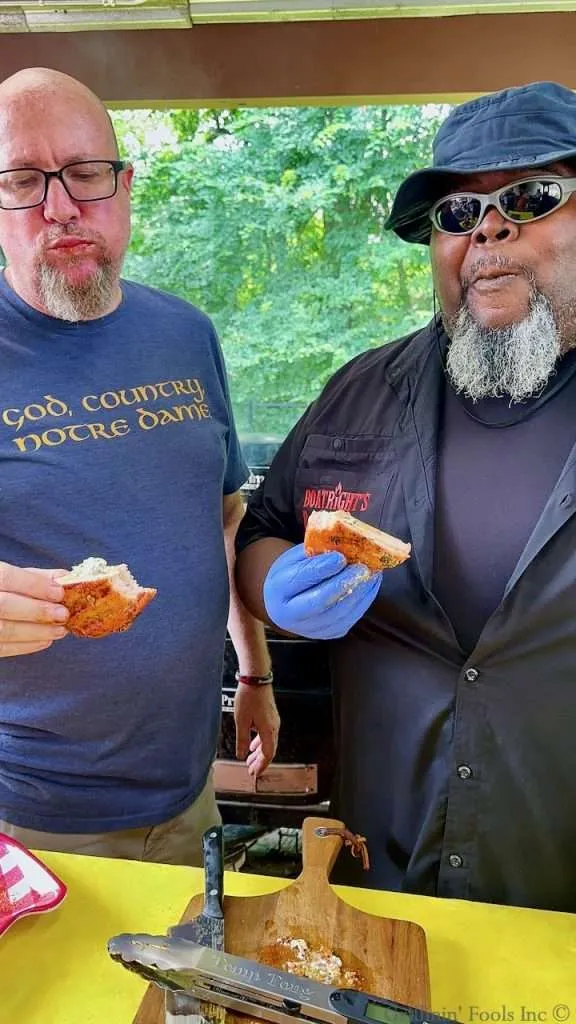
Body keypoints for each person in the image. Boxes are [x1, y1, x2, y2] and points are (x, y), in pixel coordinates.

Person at [235, 80, 576, 913]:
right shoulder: (358, 391)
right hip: (381, 864)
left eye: (531, 198)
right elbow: (265, 532)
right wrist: (275, 584)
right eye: (457, 213)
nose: (489, 228)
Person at [0, 66, 280, 865]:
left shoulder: (186, 333)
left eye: (85, 173)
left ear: (124, 187)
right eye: (23, 180)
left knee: (182, 992)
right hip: (30, 817)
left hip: (190, 791)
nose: (61, 207)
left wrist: (254, 674)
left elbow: (222, 519)